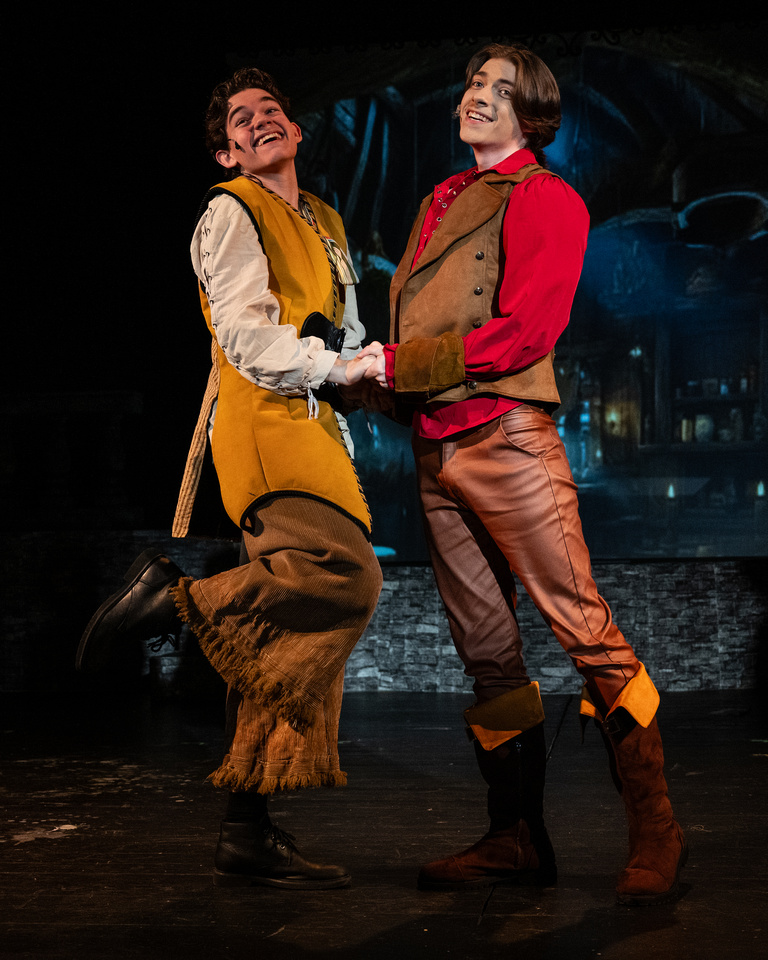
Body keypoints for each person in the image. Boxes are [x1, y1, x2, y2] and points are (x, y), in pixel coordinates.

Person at [360, 43, 687, 906]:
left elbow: (523, 335)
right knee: (490, 660)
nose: (477, 96)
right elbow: (424, 334)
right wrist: (374, 381)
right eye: (473, 82)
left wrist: (393, 366)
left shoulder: (548, 198)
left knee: (587, 631)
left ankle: (657, 827)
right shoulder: (438, 201)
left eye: (499, 91)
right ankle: (515, 838)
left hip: (506, 437)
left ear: (531, 115)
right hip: (435, 446)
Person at [76, 67, 383, 890]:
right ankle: (175, 600)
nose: (259, 124)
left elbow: (341, 324)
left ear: (296, 130)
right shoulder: (229, 212)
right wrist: (333, 366)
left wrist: (364, 370)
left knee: (282, 638)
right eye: (240, 122)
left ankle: (246, 828)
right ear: (226, 154)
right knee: (347, 582)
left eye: (270, 111)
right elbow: (248, 338)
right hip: (263, 424)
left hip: (317, 422)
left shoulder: (323, 218)